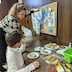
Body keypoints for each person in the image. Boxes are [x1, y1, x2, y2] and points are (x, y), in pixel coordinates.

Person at [0, 3, 33, 71]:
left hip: (6, 30)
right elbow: (16, 36)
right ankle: (3, 65)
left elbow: (25, 13)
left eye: (24, 14)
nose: (23, 16)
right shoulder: (12, 20)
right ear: (16, 13)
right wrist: (25, 40)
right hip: (1, 32)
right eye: (21, 14)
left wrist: (32, 11)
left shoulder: (18, 14)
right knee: (3, 49)